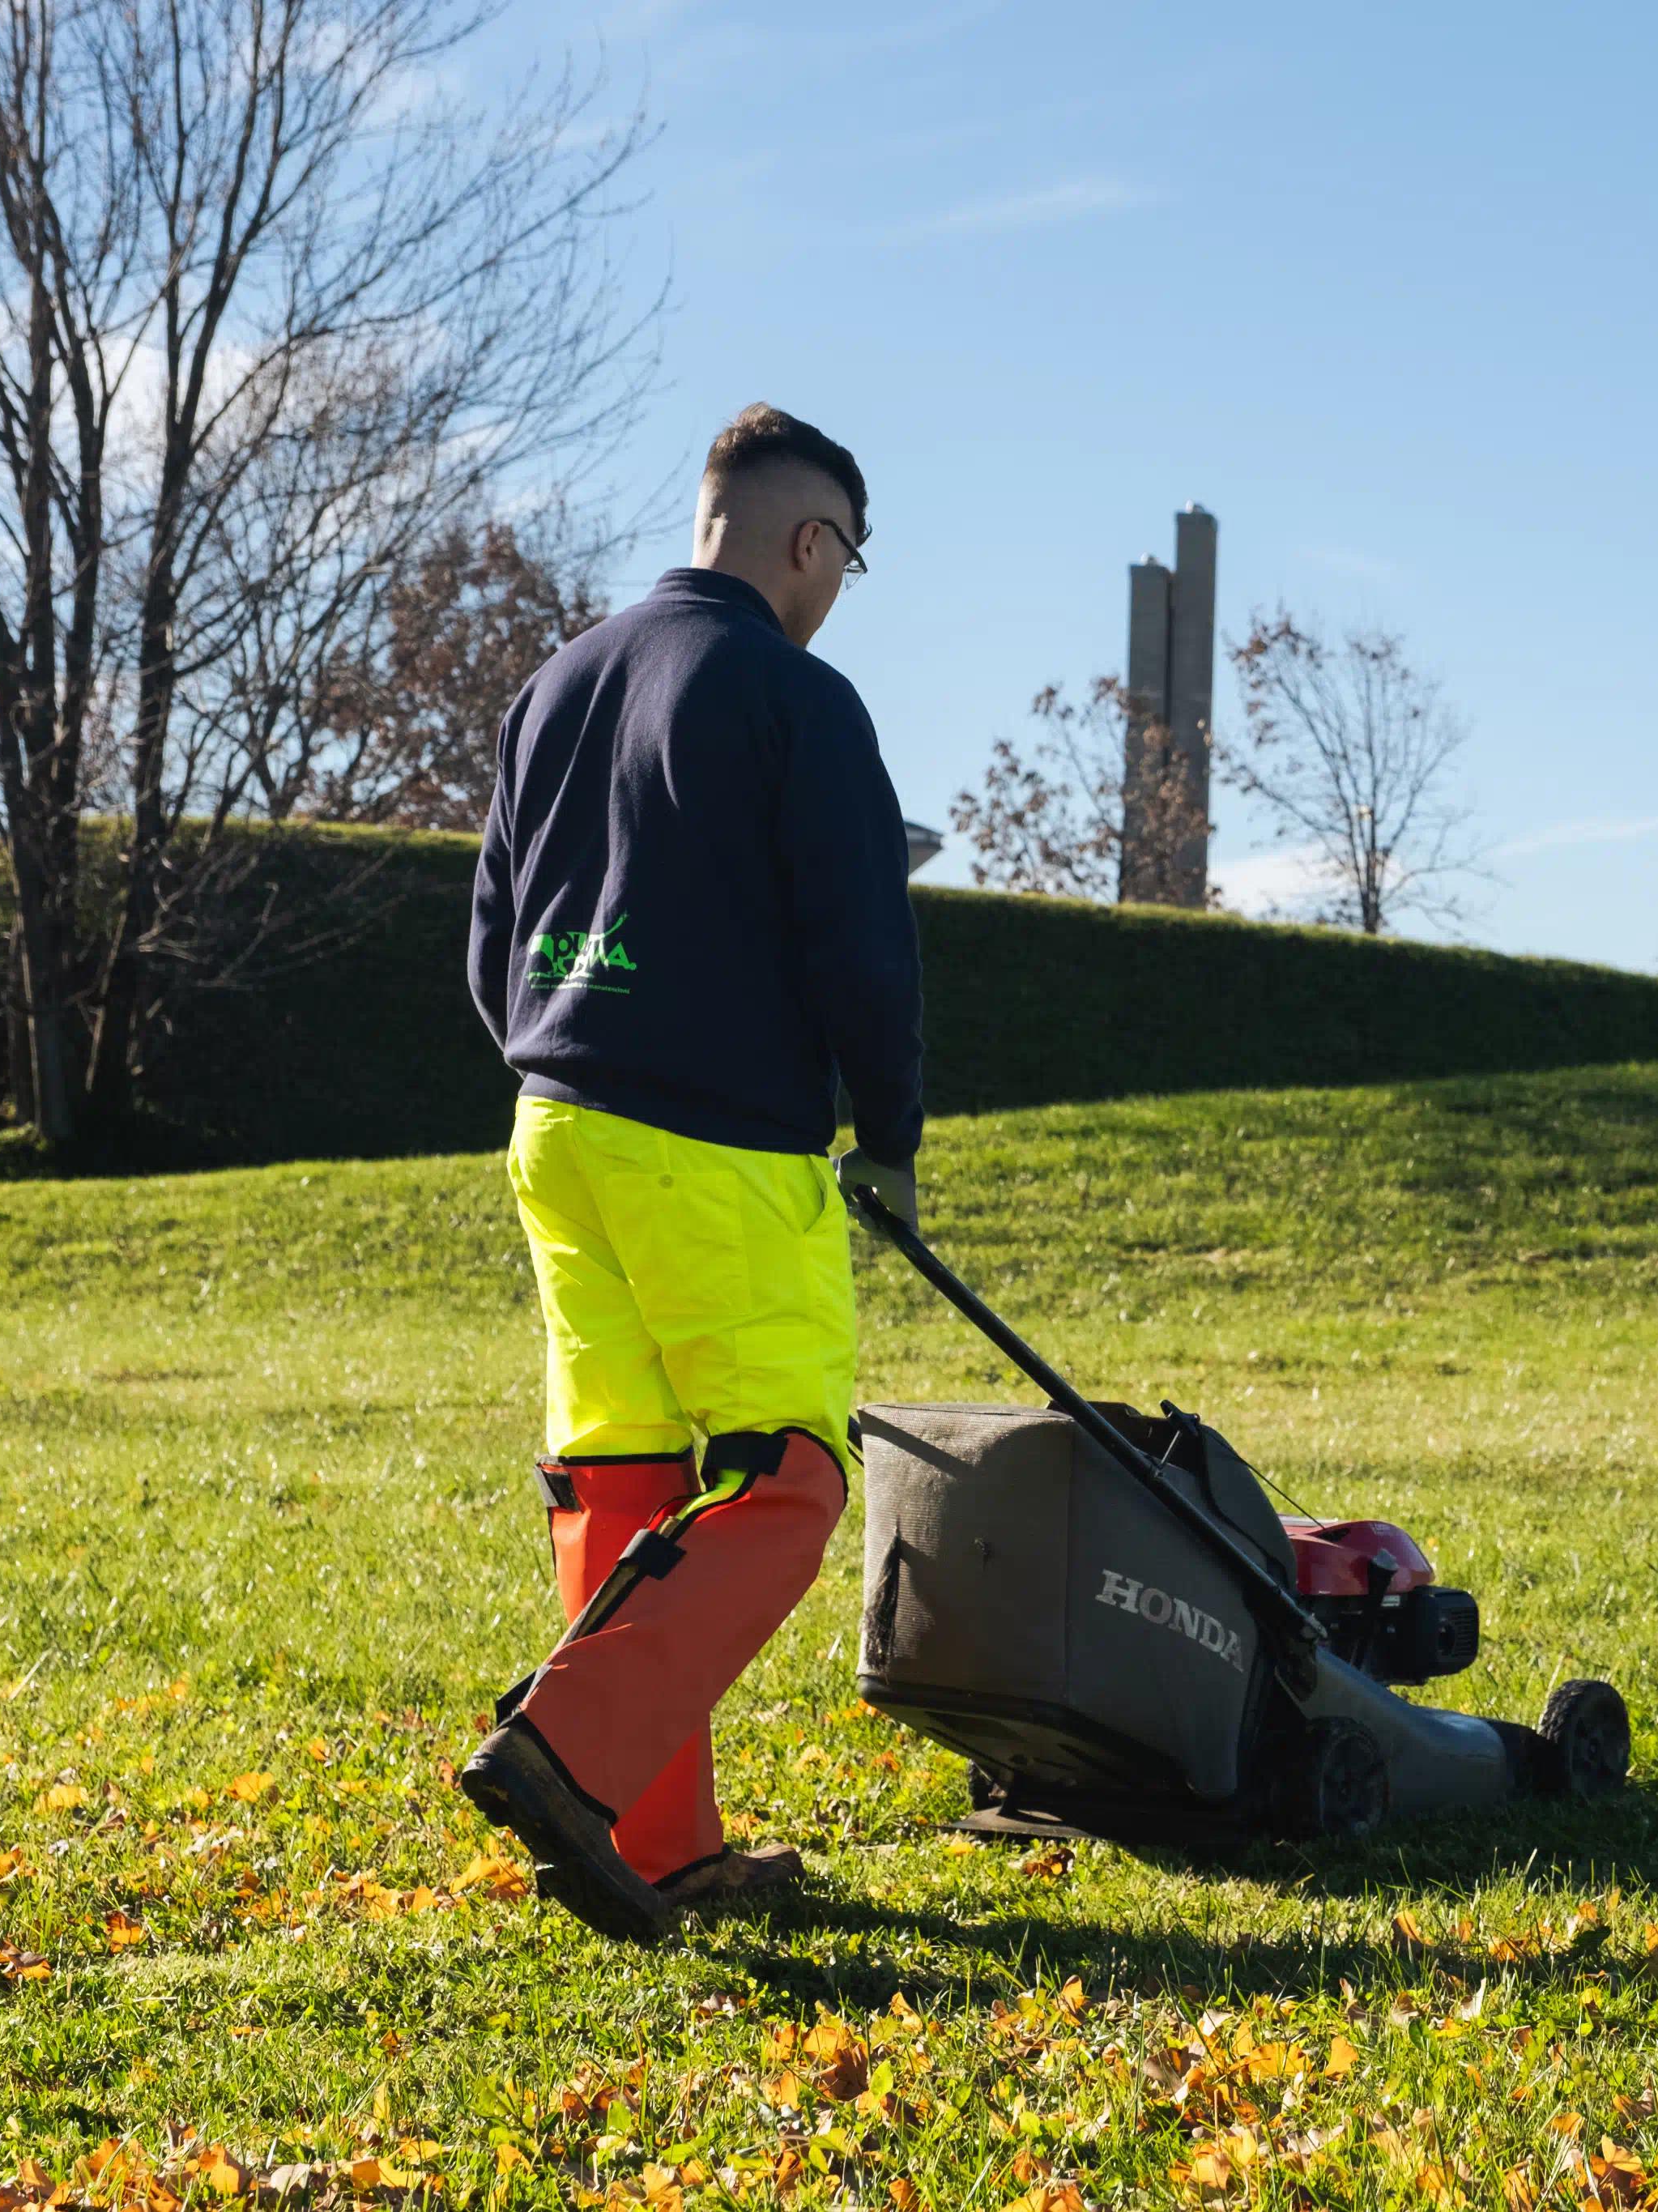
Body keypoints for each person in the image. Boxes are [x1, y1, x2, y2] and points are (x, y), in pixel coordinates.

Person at [455, 403, 923, 1944]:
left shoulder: (557, 682)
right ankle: (571, 1751)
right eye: (850, 555)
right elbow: (863, 947)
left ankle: (653, 1847)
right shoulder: (797, 697)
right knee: (786, 1469)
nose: (842, 584)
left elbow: (487, 939)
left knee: (624, 1471)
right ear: (811, 540)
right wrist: (894, 1136)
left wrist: (568, 1047)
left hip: (555, 1123)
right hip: (714, 1140)